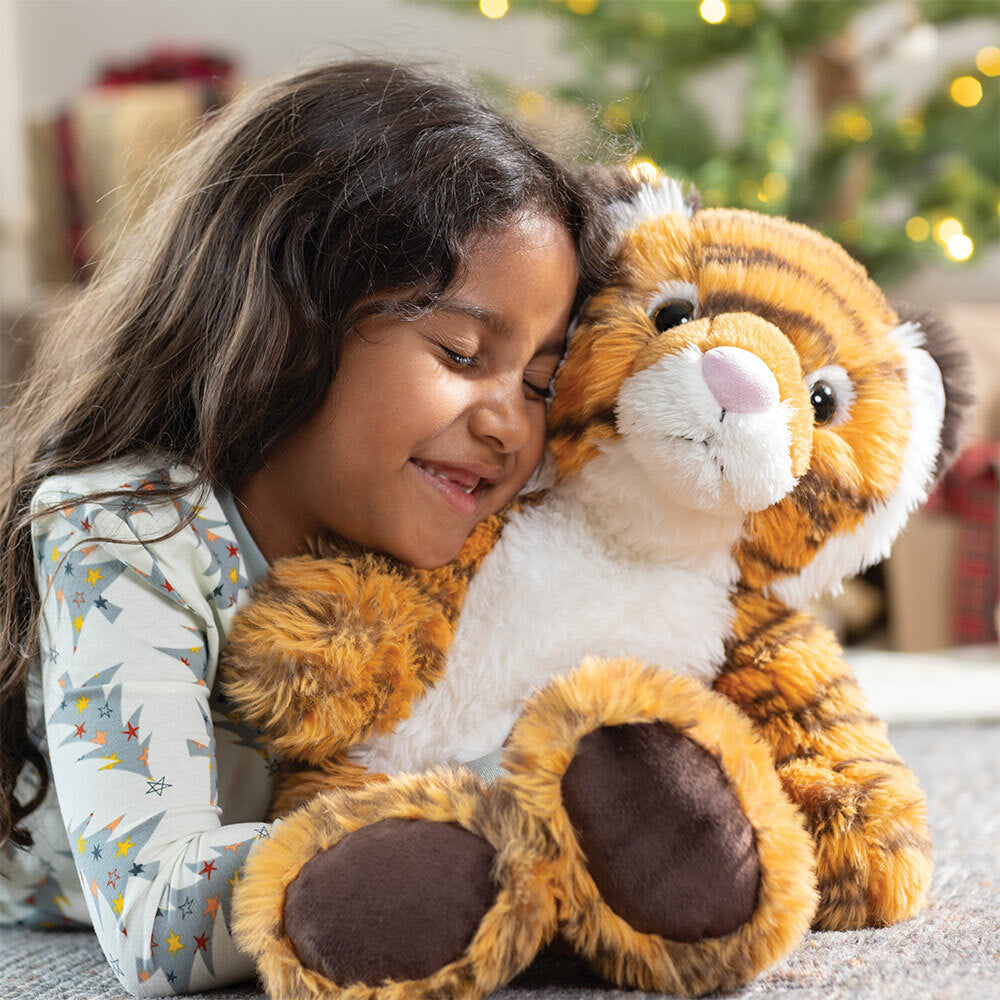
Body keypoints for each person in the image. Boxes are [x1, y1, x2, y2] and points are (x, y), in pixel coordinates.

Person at [0, 59, 615, 995]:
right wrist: (502, 807)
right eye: (461, 353)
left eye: (538, 380)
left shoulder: (451, 534)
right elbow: (160, 926)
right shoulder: (127, 537)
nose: (509, 425)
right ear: (291, 317)